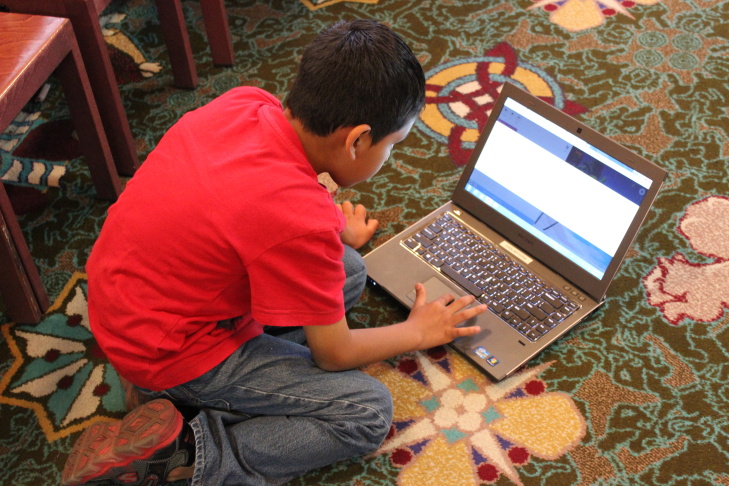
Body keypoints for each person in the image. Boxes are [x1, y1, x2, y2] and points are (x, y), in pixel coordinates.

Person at [61, 19, 486, 486]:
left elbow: (251, 197)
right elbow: (334, 353)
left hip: (124, 302)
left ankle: (182, 399)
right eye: (392, 145)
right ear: (358, 140)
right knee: (366, 411)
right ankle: (187, 458)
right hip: (166, 351)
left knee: (348, 271)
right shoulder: (300, 222)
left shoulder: (246, 102)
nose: (388, 158)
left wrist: (327, 231)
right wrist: (417, 332)